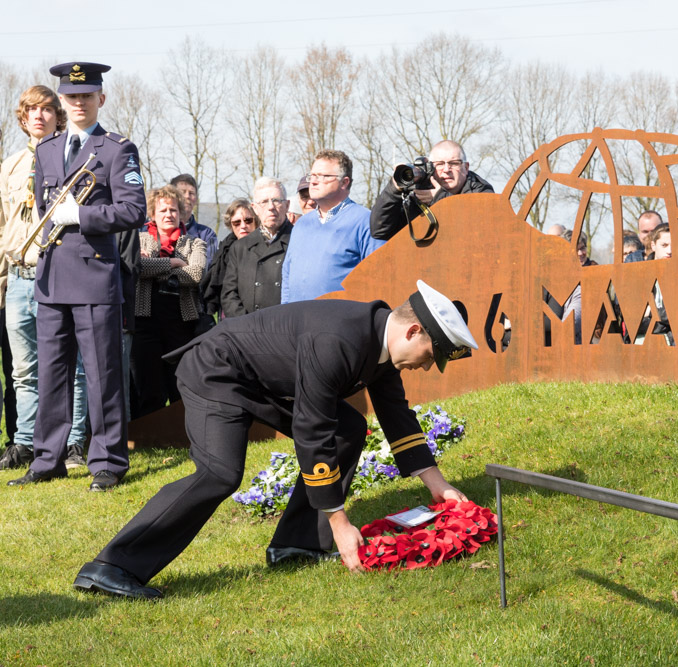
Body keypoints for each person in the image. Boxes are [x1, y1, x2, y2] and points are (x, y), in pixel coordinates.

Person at [74, 279, 478, 599]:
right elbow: (312, 427)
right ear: (412, 330)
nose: (428, 367)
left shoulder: (378, 345)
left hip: (257, 380)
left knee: (349, 428)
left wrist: (439, 487)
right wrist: (339, 522)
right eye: (431, 355)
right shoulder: (338, 341)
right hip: (215, 372)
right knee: (219, 472)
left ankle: (297, 543)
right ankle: (113, 566)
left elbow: (398, 418)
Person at [7, 62, 146, 491]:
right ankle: (48, 459)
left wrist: (81, 214)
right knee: (51, 372)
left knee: (102, 374)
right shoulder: (46, 149)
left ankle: (106, 461)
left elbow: (133, 210)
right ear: (63, 102)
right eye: (71, 96)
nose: (79, 102)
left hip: (93, 278)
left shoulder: (117, 149)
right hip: (50, 276)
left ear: (100, 99)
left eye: (86, 96)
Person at [0, 85, 88, 471]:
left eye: (47, 110)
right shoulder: (10, 165)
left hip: (58, 273)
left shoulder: (70, 158)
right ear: (23, 117)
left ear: (58, 116)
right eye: (31, 110)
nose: (39, 116)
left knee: (73, 365)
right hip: (18, 277)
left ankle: (73, 441)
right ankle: (25, 442)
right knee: (23, 370)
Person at [130, 185, 206, 419]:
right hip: (145, 321)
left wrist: (154, 268)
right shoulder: (138, 240)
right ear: (152, 213)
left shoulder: (194, 243)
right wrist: (173, 264)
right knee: (147, 380)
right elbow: (137, 268)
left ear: (181, 213)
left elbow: (195, 274)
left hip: (180, 322)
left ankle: (179, 431)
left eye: (173, 210)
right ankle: (147, 433)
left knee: (179, 381)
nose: (168, 214)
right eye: (162, 210)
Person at [282, 151, 383, 303]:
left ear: (344, 182)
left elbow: (378, 279)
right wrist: (285, 312)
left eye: (323, 176)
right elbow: (287, 274)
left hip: (341, 322)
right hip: (297, 322)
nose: (314, 182)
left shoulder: (365, 221)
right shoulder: (301, 224)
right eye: (313, 176)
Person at [369, 140, 494, 241]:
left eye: (454, 163)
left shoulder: (481, 191)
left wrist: (439, 199)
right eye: (439, 164)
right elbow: (379, 231)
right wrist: (394, 189)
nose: (446, 169)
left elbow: (480, 227)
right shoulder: (420, 195)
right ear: (430, 168)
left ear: (466, 168)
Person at [222, 178, 292, 317]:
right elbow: (229, 294)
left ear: (287, 205)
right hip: (247, 330)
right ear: (255, 208)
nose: (271, 207)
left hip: (285, 327)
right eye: (264, 202)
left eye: (277, 200)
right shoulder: (240, 247)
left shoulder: (298, 241)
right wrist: (246, 324)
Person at [201, 199, 258, 318]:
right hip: (229, 315)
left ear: (256, 221)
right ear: (231, 225)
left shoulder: (266, 247)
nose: (243, 226)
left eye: (248, 220)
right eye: (237, 222)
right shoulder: (224, 250)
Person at [169, 174, 218, 266]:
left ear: (196, 199)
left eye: (191, 193)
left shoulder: (207, 235)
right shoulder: (151, 230)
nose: (187, 196)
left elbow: (208, 266)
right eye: (183, 192)